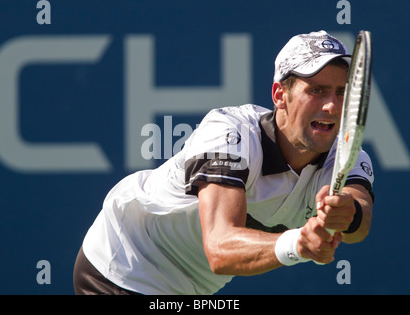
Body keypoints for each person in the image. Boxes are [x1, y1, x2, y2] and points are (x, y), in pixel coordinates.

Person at [73, 30, 374, 295]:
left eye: (341, 92)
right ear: (280, 95)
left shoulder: (346, 157)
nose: (332, 105)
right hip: (125, 263)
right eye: (316, 90)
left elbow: (359, 221)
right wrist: (297, 243)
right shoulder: (231, 133)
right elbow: (220, 248)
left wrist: (347, 212)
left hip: (195, 289)